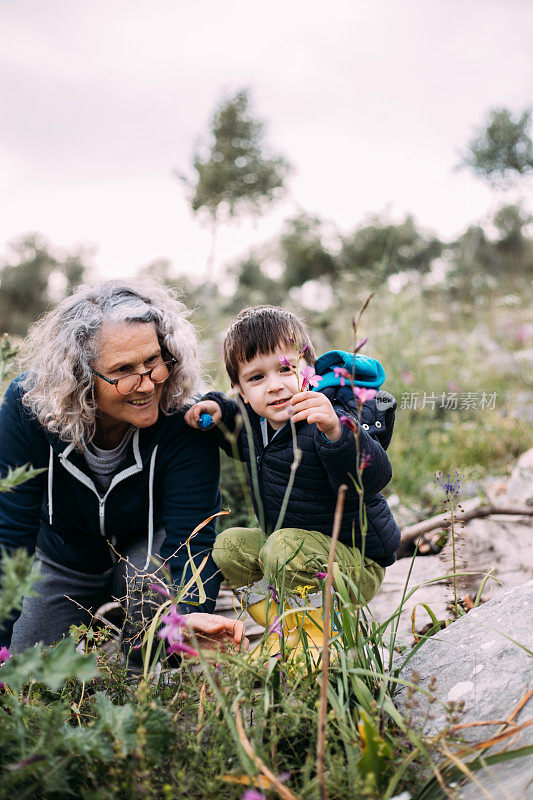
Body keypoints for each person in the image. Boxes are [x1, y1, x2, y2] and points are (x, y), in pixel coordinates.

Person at [0, 280, 248, 658]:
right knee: (26, 674)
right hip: (62, 561)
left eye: (153, 361)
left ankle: (150, 647)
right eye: (123, 370)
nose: (147, 384)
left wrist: (188, 615)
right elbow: (9, 531)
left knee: (150, 647)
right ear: (80, 377)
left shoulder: (188, 415)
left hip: (147, 560)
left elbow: (191, 534)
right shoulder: (28, 407)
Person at [185, 305, 400, 652]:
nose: (275, 386)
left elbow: (375, 477)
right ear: (240, 390)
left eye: (286, 369)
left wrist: (336, 434)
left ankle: (315, 640)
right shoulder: (255, 424)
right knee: (230, 547)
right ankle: (282, 629)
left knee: (283, 548)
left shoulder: (329, 415)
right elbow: (235, 430)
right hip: (288, 553)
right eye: (256, 378)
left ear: (310, 371)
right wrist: (217, 412)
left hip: (354, 562)